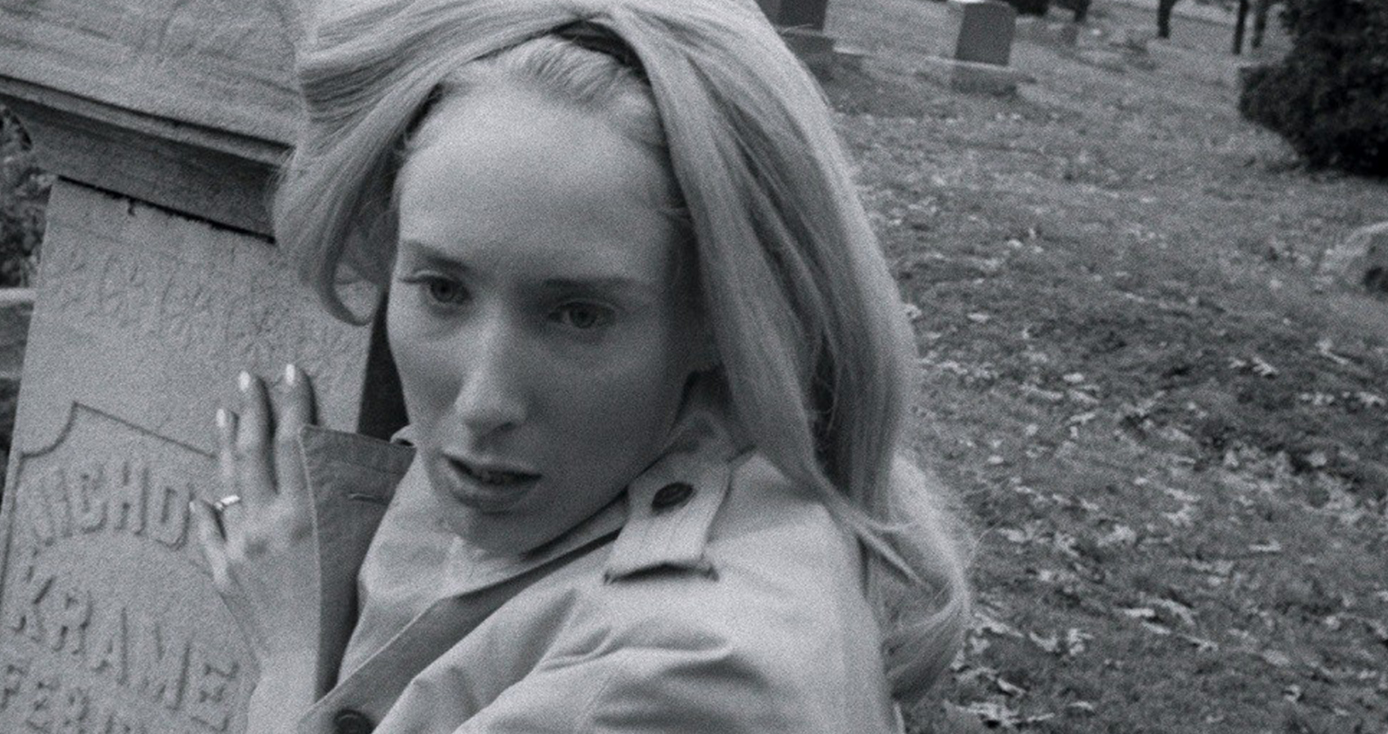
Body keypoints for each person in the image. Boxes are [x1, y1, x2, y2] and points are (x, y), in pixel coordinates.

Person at [190, 0, 971, 732]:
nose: (485, 399)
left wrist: (294, 653)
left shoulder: (690, 677)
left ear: (719, 316)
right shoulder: (654, 458)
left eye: (578, 315)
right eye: (443, 289)